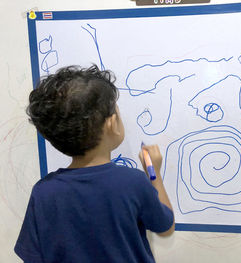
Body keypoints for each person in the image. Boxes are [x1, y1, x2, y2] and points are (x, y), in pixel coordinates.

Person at [14, 65, 175, 263]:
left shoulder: (43, 191)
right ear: (112, 124)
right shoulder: (133, 182)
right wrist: (154, 173)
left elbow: (32, 256)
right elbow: (165, 226)